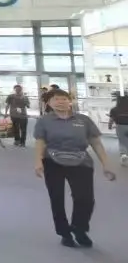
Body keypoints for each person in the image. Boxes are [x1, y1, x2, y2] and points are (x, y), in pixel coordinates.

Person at [34, 87, 114, 247]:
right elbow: (40, 142)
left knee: (85, 199)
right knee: (57, 198)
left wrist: (106, 164)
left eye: (64, 99)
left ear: (70, 101)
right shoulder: (44, 121)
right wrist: (38, 161)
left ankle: (79, 229)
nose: (60, 102)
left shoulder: (83, 120)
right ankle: (64, 233)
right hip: (53, 162)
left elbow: (96, 143)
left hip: (81, 162)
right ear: (49, 103)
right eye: (56, 99)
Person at [109, 91, 128, 168]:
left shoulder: (114, 109)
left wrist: (110, 126)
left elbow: (111, 120)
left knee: (122, 141)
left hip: (120, 126)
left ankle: (124, 155)